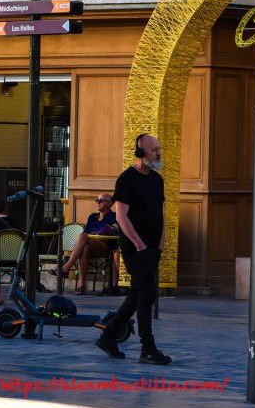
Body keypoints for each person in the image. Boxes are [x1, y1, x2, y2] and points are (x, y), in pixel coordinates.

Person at [95, 133, 171, 365]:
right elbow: (121, 217)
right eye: (153, 149)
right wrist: (140, 246)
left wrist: (159, 243)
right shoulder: (126, 179)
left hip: (152, 248)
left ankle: (109, 335)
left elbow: (160, 214)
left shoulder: (157, 180)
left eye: (158, 148)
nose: (158, 152)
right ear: (140, 154)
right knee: (147, 294)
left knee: (138, 293)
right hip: (135, 247)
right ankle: (147, 348)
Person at [59, 193, 119, 295]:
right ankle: (81, 286)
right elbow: (86, 233)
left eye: (101, 201)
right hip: (90, 245)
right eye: (97, 200)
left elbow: (112, 230)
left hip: (105, 247)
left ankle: (66, 267)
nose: (98, 203)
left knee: (83, 237)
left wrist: (98, 232)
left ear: (109, 204)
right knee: (85, 248)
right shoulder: (92, 217)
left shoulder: (114, 216)